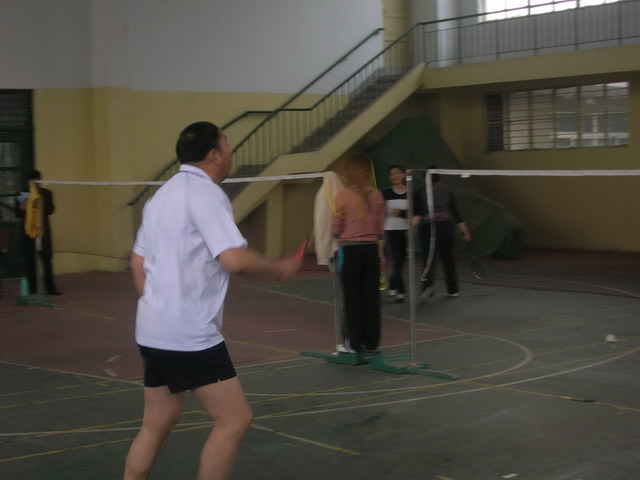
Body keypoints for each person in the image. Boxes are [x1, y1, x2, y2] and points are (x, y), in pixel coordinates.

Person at [124, 121, 302, 480]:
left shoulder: (161, 196)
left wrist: (159, 304)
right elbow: (233, 260)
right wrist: (278, 266)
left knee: (156, 422)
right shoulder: (206, 194)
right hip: (188, 334)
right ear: (214, 155)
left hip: (152, 329)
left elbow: (137, 262)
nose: (231, 152)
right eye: (227, 145)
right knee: (234, 420)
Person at [331, 153, 385, 353]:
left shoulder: (343, 195)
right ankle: (372, 342)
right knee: (371, 297)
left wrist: (336, 235)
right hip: (371, 250)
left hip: (350, 250)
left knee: (352, 298)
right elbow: (380, 227)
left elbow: (336, 226)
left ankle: (353, 343)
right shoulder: (377, 195)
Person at [413, 167, 470, 302]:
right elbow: (418, 213)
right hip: (432, 227)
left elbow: (454, 212)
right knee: (435, 258)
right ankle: (435, 289)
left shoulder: (445, 192)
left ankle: (446, 289)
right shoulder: (420, 193)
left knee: (439, 258)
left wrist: (465, 231)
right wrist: (412, 226)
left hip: (441, 226)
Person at [16, 169, 61, 295]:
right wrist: (22, 208)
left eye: (37, 181)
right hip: (29, 232)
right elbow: (18, 214)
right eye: (32, 181)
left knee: (46, 259)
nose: (35, 183)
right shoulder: (22, 193)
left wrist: (50, 200)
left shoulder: (46, 193)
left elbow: (51, 211)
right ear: (28, 181)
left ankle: (50, 288)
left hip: (43, 231)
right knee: (31, 261)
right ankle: (33, 289)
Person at [382, 164, 409, 303]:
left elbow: (414, 212)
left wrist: (401, 213)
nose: (394, 176)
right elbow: (378, 212)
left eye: (397, 173)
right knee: (395, 261)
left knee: (400, 261)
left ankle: (392, 283)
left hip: (405, 232)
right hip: (389, 232)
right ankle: (400, 290)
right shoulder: (385, 193)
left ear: (404, 175)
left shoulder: (410, 193)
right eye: (391, 174)